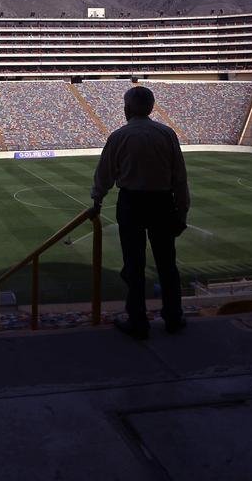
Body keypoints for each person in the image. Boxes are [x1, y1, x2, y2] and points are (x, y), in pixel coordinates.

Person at [88, 85, 190, 340]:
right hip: (163, 203)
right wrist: (182, 213)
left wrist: (97, 200)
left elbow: (104, 174)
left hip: (131, 203)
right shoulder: (167, 134)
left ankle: (138, 321)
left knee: (133, 265)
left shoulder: (119, 136)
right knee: (167, 264)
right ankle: (173, 318)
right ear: (151, 108)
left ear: (127, 109)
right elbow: (180, 178)